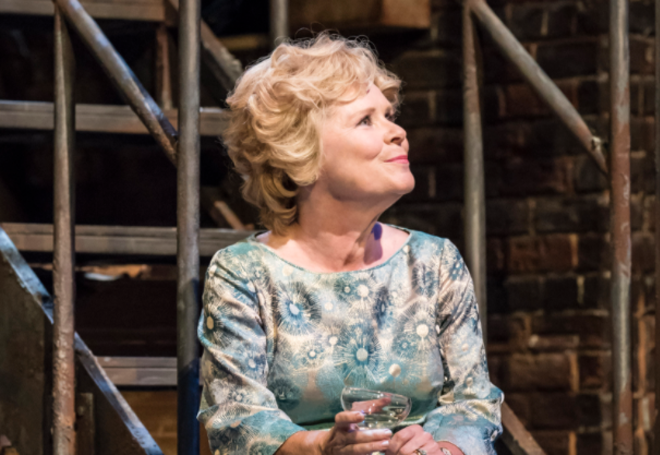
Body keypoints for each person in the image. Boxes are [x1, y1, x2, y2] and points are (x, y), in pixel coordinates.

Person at [197, 33, 503, 455]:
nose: (397, 132)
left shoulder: (434, 262)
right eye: (366, 120)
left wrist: (445, 450)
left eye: (390, 115)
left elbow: (472, 403)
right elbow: (237, 419)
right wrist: (323, 446)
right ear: (301, 153)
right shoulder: (245, 273)